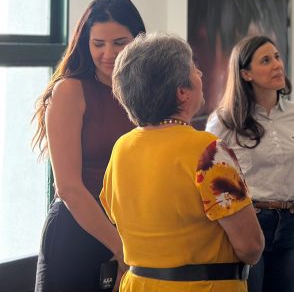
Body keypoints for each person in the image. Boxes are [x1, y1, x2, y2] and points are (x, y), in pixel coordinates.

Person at [100, 32, 264, 291]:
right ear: (182, 92)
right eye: (193, 69)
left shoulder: (122, 147)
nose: (200, 73)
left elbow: (114, 214)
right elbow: (251, 247)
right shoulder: (208, 151)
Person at [31, 0, 146, 291]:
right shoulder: (70, 90)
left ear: (138, 41)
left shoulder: (146, 95)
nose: (109, 53)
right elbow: (68, 188)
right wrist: (122, 250)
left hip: (131, 233)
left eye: (119, 43)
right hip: (78, 232)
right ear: (85, 44)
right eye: (98, 44)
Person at [207, 35, 294, 292]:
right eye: (266, 60)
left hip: (289, 222)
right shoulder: (223, 121)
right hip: (247, 223)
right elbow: (208, 183)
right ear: (245, 74)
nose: (277, 65)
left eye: (277, 57)